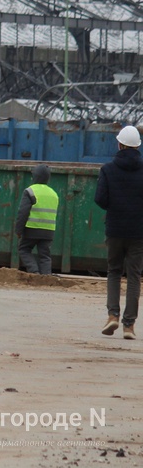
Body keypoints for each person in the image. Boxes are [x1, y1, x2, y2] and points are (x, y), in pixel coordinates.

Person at [93, 124, 143, 340]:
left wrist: (115, 208)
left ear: (120, 144)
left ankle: (112, 315)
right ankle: (129, 326)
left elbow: (100, 199)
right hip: (138, 232)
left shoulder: (108, 169)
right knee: (134, 276)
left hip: (114, 229)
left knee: (114, 271)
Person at [15, 164, 58, 275]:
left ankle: (34, 273)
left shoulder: (30, 191)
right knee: (45, 255)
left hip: (32, 229)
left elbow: (23, 212)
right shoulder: (53, 194)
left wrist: (18, 230)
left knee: (24, 249)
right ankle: (46, 276)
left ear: (35, 176)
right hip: (49, 231)